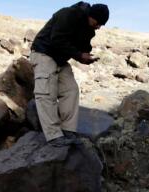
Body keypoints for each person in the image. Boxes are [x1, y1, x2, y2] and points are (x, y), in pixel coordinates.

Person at [30, 2, 109, 147]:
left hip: (60, 59)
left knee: (71, 90)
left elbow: (81, 48)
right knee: (47, 93)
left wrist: (85, 56)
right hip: (43, 53)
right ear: (92, 16)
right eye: (98, 23)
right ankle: (53, 136)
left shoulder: (88, 28)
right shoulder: (67, 14)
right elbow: (57, 39)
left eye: (101, 25)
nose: (98, 27)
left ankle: (68, 130)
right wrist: (79, 55)